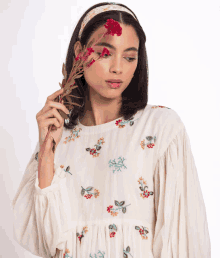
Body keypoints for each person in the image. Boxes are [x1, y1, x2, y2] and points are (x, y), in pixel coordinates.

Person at [11, 2, 211, 258]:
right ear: (80, 52)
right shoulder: (59, 137)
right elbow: (46, 243)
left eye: (129, 57)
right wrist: (47, 153)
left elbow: (182, 242)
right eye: (105, 53)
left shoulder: (160, 128)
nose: (118, 67)